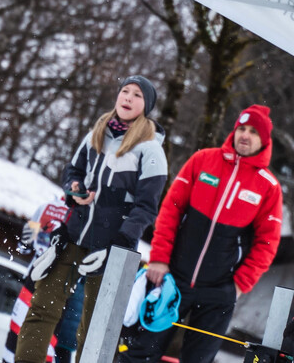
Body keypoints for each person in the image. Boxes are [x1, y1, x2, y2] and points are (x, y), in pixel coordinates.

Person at [15, 75, 168, 363]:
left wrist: (120, 242)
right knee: (42, 308)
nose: (128, 97)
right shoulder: (96, 134)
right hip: (74, 234)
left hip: (114, 248)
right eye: (125, 91)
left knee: (96, 328)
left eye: (137, 95)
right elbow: (71, 173)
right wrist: (74, 191)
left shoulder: (151, 150)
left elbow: (146, 207)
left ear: (146, 106)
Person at [119, 105, 283, 363]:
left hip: (219, 293)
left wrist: (239, 285)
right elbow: (170, 211)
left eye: (253, 132)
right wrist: (160, 259)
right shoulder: (203, 160)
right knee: (140, 353)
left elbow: (268, 242)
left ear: (263, 140)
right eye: (241, 128)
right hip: (172, 278)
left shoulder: (269, 187)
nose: (245, 135)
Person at [3, 197, 85, 363]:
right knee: (43, 337)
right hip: (58, 282)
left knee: (21, 333)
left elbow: (24, 245)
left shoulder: (45, 207)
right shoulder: (82, 215)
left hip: (38, 276)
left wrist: (28, 244)